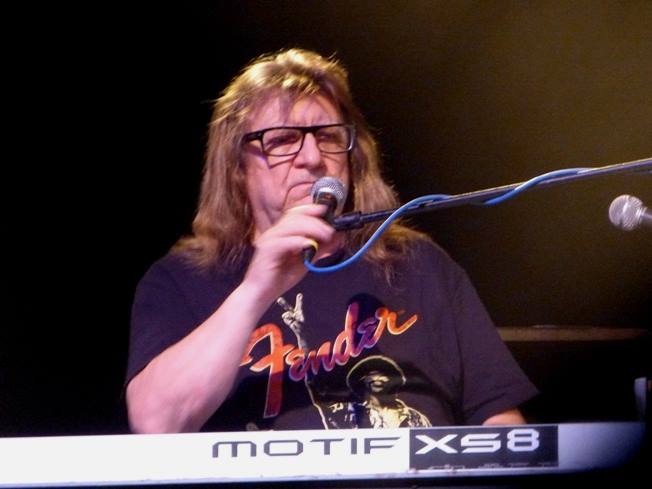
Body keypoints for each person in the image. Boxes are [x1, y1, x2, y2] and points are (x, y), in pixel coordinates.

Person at [125, 48, 538, 433]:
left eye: (328, 137)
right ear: (236, 167)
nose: (312, 158)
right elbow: (155, 422)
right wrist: (256, 289)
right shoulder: (183, 280)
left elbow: (500, 422)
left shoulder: (417, 263)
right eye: (283, 140)